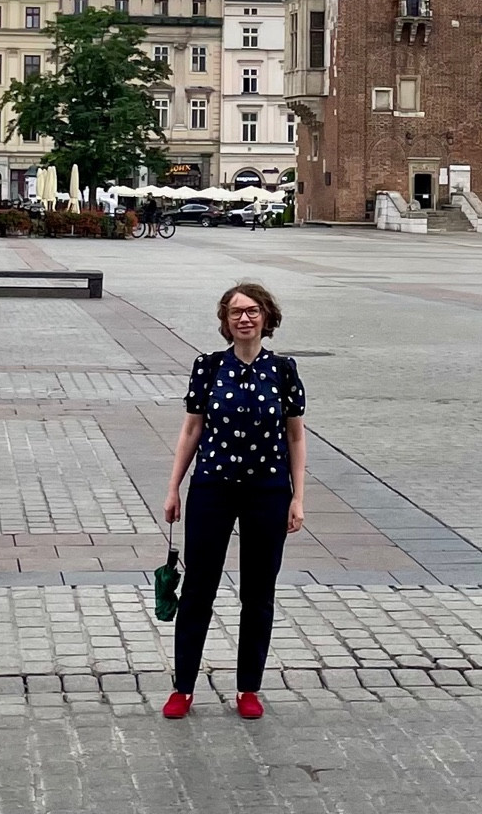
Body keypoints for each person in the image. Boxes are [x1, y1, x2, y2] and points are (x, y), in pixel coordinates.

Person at [160, 281, 306, 722]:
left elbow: (296, 436)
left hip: (267, 490)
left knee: (258, 593)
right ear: (225, 322)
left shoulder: (283, 370)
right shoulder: (207, 368)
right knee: (198, 589)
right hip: (213, 488)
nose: (244, 319)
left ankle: (249, 688)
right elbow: (191, 430)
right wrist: (173, 487)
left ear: (266, 317)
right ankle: (183, 688)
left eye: (252, 311)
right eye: (235, 312)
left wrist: (298, 496)